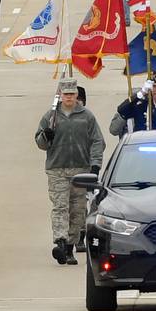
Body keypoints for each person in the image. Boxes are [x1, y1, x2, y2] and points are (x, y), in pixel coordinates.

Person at [35, 77, 105, 265]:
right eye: (65, 94)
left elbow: (98, 141)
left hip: (80, 169)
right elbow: (41, 143)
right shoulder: (51, 117)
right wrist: (45, 136)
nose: (69, 98)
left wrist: (95, 164)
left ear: (76, 96)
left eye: (72, 94)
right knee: (60, 207)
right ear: (60, 95)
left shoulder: (86, 116)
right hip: (57, 169)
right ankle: (60, 241)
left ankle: (70, 247)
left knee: (78, 209)